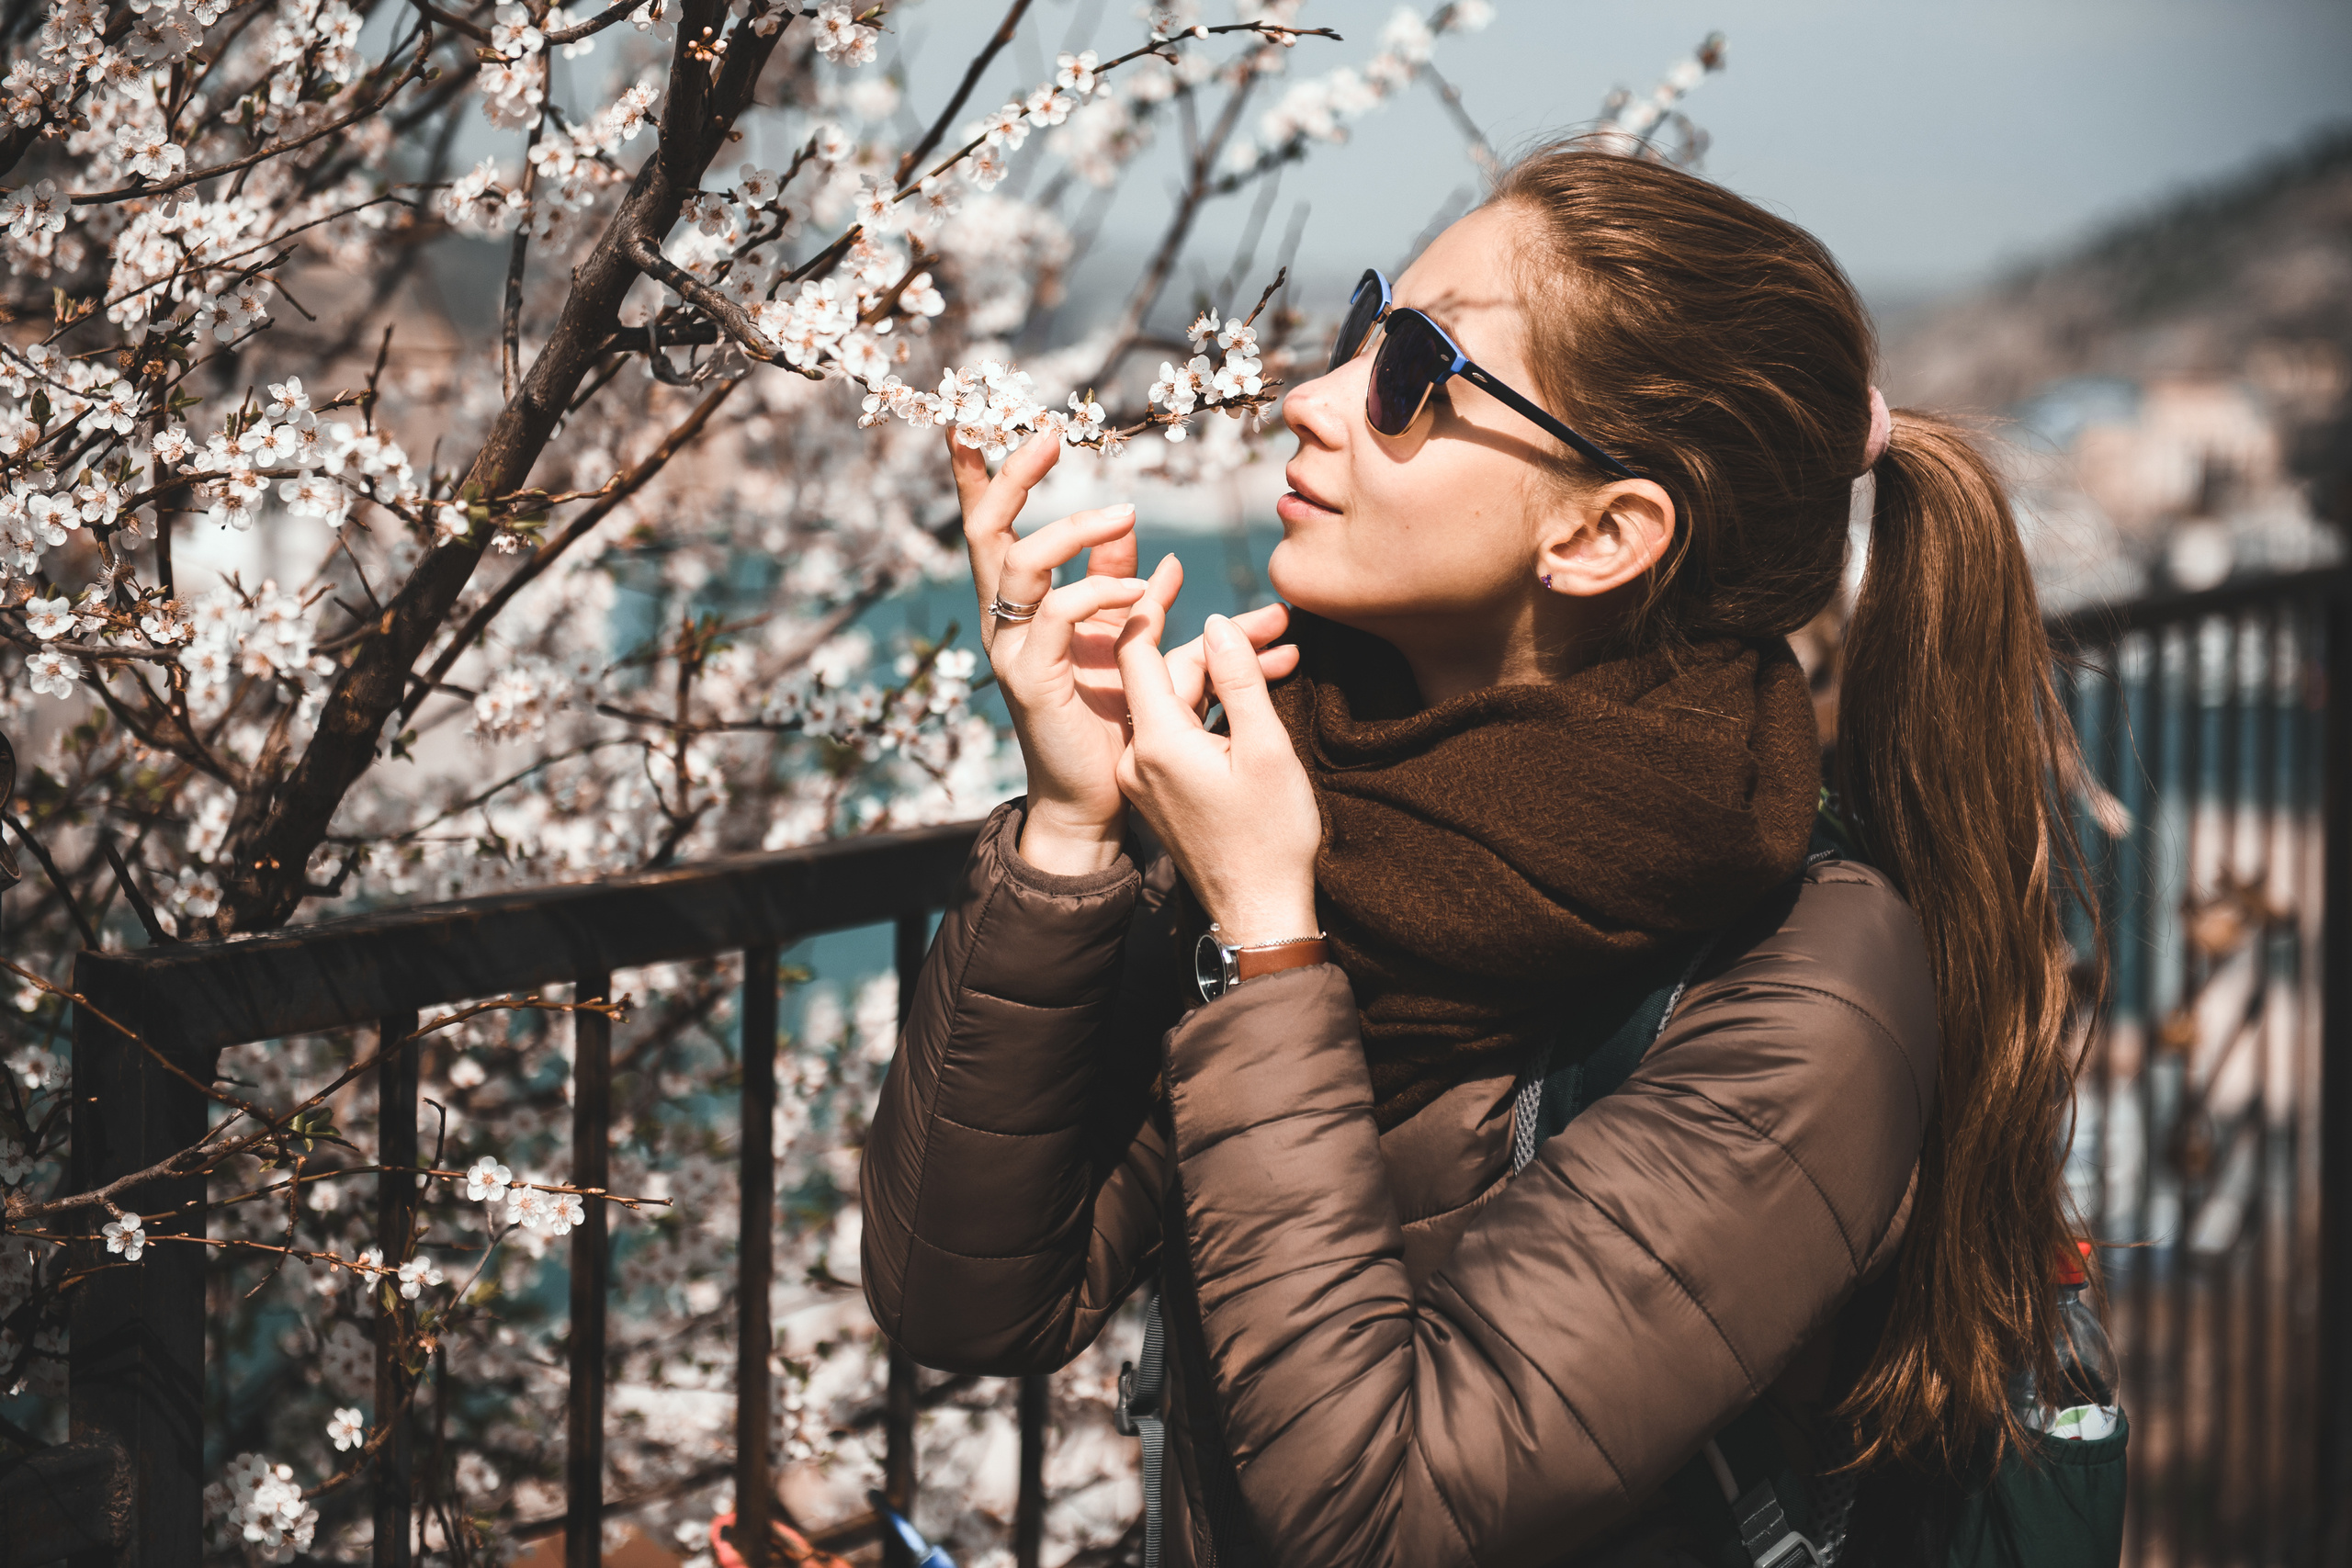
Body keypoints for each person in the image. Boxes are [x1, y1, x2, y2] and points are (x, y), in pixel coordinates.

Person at [860, 145, 2091, 1567]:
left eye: (1413, 374)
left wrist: (1269, 948)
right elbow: (966, 1298)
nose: (1314, 398)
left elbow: (1379, 1515)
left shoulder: (1809, 994)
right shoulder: (1311, 789)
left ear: (1601, 534)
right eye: (1363, 329)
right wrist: (1072, 832)